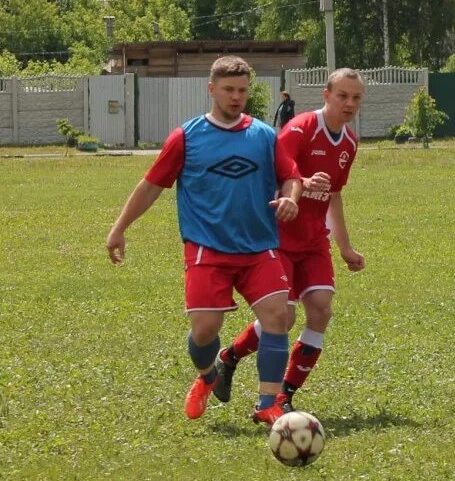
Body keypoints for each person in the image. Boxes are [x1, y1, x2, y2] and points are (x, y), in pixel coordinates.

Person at [106, 56, 303, 425]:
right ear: (211, 89)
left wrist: (291, 196)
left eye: (242, 90)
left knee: (279, 316)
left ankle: (267, 403)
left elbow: (291, 175)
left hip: (260, 248)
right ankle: (208, 376)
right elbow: (151, 185)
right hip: (207, 249)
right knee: (204, 331)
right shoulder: (187, 136)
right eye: (229, 89)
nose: (236, 97)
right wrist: (120, 227)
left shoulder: (263, 135)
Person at [213, 68, 366, 415]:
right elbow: (269, 174)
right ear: (326, 95)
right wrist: (301, 183)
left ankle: (283, 397)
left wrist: (345, 247)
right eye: (342, 95)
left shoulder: (350, 144)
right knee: (281, 317)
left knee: (321, 310)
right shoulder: (299, 129)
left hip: (313, 242)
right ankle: (230, 357)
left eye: (356, 98)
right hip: (277, 238)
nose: (349, 103)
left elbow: (335, 196)